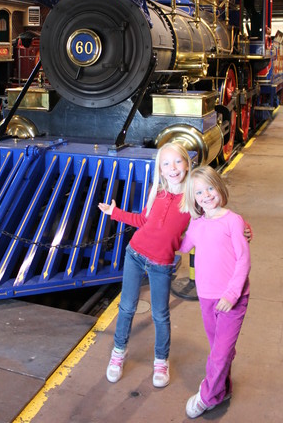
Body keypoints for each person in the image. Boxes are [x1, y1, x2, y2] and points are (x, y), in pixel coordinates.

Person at [98, 141, 192, 388]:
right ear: (159, 169)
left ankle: (161, 360)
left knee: (160, 315)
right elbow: (142, 220)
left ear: (187, 164)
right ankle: (118, 352)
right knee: (126, 307)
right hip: (135, 254)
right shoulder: (157, 191)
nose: (172, 168)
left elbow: (210, 224)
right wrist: (115, 213)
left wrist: (240, 230)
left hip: (161, 263)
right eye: (166, 163)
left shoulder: (193, 200)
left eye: (178, 162)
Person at [180, 165, 251, 419]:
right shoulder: (197, 225)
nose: (206, 195)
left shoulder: (233, 221)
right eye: (199, 192)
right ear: (193, 198)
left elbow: (243, 260)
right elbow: (181, 246)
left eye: (210, 188)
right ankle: (224, 389)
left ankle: (207, 396)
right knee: (219, 350)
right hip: (207, 297)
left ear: (219, 188)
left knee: (220, 354)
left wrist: (231, 294)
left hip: (233, 298)